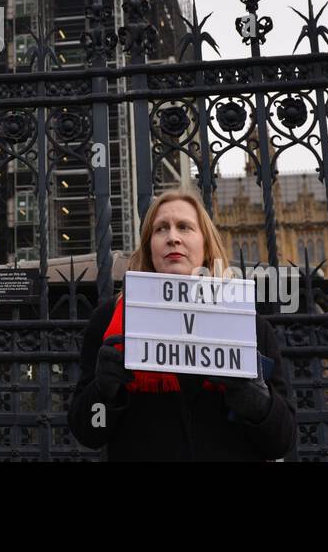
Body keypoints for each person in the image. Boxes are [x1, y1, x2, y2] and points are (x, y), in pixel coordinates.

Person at [67, 187, 296, 461]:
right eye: (161, 229)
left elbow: (281, 442)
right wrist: (103, 392)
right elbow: (89, 432)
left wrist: (258, 401)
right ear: (149, 246)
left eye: (185, 227)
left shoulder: (250, 326)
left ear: (206, 245)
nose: (172, 237)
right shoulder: (109, 321)